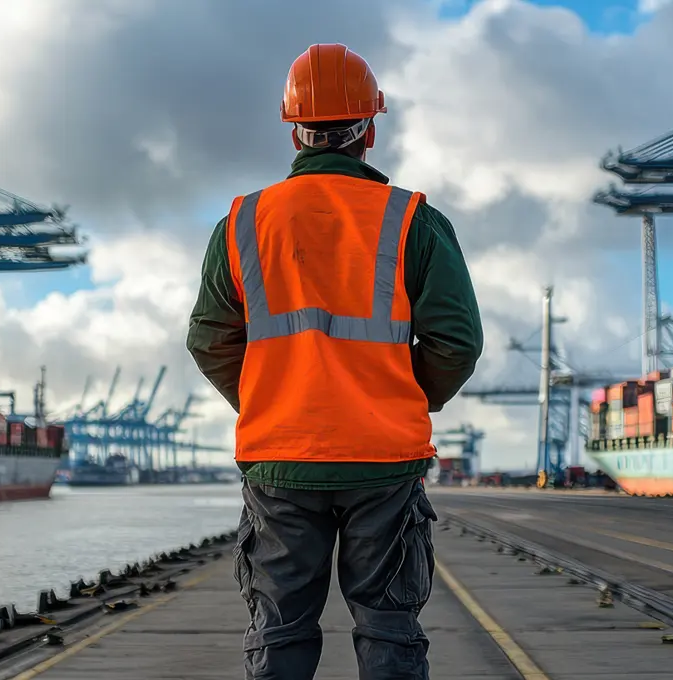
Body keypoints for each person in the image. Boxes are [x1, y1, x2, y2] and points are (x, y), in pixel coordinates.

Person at [186, 43, 484, 679]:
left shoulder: (243, 222)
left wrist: (275, 397)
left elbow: (209, 339)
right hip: (383, 456)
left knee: (281, 628)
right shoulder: (412, 220)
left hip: (282, 455)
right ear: (370, 129)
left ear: (294, 130)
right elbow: (457, 342)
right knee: (388, 624)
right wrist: (398, 396)